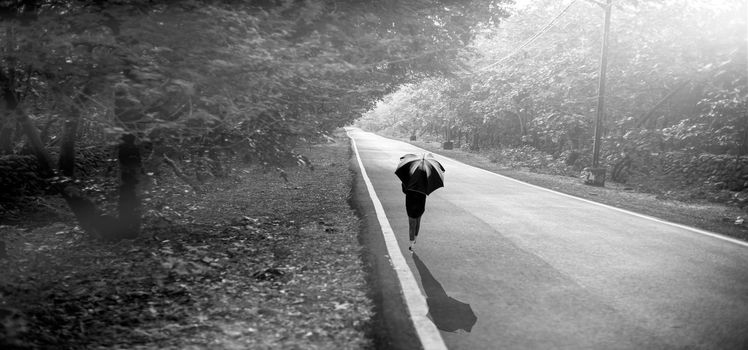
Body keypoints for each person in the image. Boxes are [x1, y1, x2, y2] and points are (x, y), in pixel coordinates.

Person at [403, 183, 427, 252]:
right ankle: (415, 239)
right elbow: (427, 190)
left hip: (411, 203)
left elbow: (404, 190)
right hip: (421, 203)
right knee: (417, 221)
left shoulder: (408, 177)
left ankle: (411, 244)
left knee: (412, 224)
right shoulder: (425, 176)